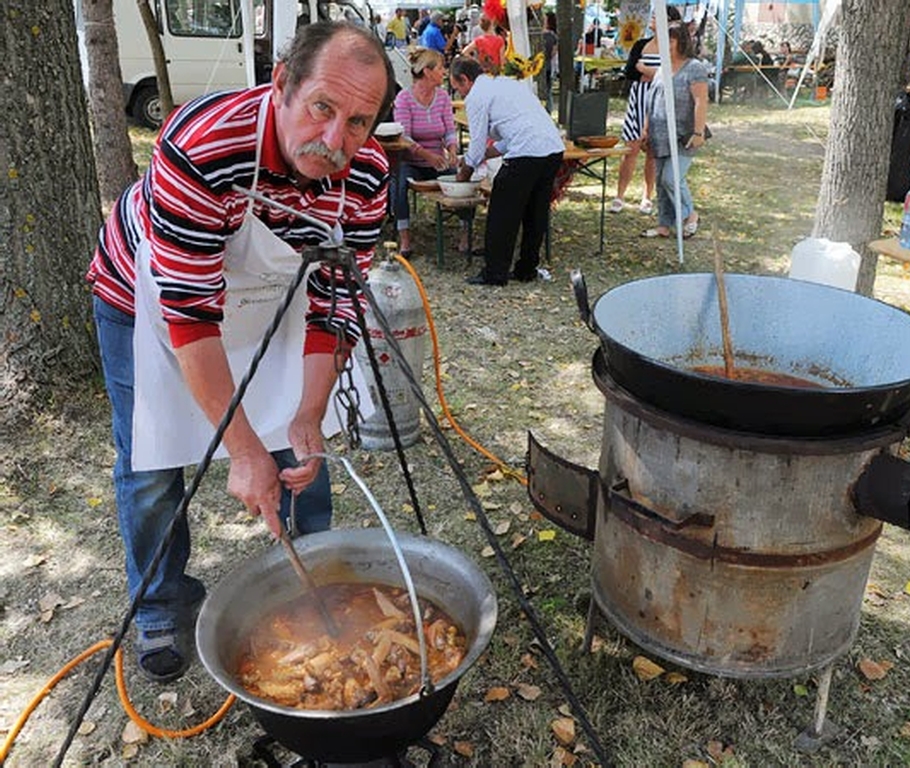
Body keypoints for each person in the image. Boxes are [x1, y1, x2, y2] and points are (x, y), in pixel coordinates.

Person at [86, 21, 394, 683]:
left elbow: (335, 307)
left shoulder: (366, 176)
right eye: (322, 108)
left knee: (300, 448)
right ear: (281, 82)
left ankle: (313, 587)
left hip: (268, 299)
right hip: (149, 298)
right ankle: (160, 605)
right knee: (152, 463)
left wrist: (307, 415)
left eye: (360, 121)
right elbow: (191, 316)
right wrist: (243, 449)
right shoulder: (204, 146)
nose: (336, 140)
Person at [451, 56, 564, 286]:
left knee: (502, 211)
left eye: (457, 88)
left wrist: (463, 175)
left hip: (527, 151)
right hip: (552, 148)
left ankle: (495, 272)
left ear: (465, 80)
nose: (459, 94)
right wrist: (484, 155)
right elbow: (512, 134)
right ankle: (526, 268)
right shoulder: (506, 84)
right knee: (535, 212)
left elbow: (477, 143)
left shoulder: (477, 97)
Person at [391, 47, 463, 257]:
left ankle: (464, 235)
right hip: (412, 162)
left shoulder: (442, 97)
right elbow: (405, 137)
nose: (444, 72)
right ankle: (405, 239)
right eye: (440, 68)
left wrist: (451, 149)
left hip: (438, 162)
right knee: (399, 185)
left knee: (464, 178)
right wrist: (427, 155)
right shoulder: (404, 98)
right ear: (427, 72)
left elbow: (450, 130)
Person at [609, 5, 681, 215]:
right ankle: (619, 196)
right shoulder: (641, 44)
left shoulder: (673, 47)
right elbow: (630, 71)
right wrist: (650, 72)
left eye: (658, 17)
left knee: (652, 152)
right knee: (630, 150)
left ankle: (646, 197)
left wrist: (645, 69)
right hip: (638, 100)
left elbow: (671, 76)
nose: (652, 20)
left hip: (660, 102)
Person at [642, 21, 708, 240]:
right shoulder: (661, 68)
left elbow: (701, 101)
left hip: (684, 135)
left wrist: (698, 132)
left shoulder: (694, 67)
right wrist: (645, 128)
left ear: (681, 41)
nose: (666, 44)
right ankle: (664, 224)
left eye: (670, 39)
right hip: (659, 133)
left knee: (671, 178)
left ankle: (690, 214)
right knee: (661, 180)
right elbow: (652, 100)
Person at [541, 11, 558, 113]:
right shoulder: (554, 36)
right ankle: (549, 110)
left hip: (541, 66)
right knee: (548, 90)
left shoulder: (540, 35)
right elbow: (553, 53)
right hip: (548, 66)